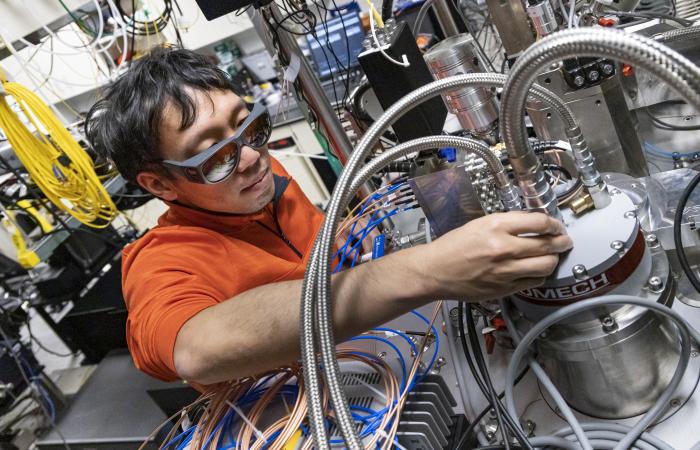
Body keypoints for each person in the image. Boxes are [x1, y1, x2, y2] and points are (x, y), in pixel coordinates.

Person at [85, 48, 573, 387]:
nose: (252, 158)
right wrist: (426, 270)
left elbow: (326, 251)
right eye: (213, 156)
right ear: (160, 184)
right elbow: (195, 348)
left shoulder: (256, 178)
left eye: (247, 126)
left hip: (399, 350)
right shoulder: (160, 264)